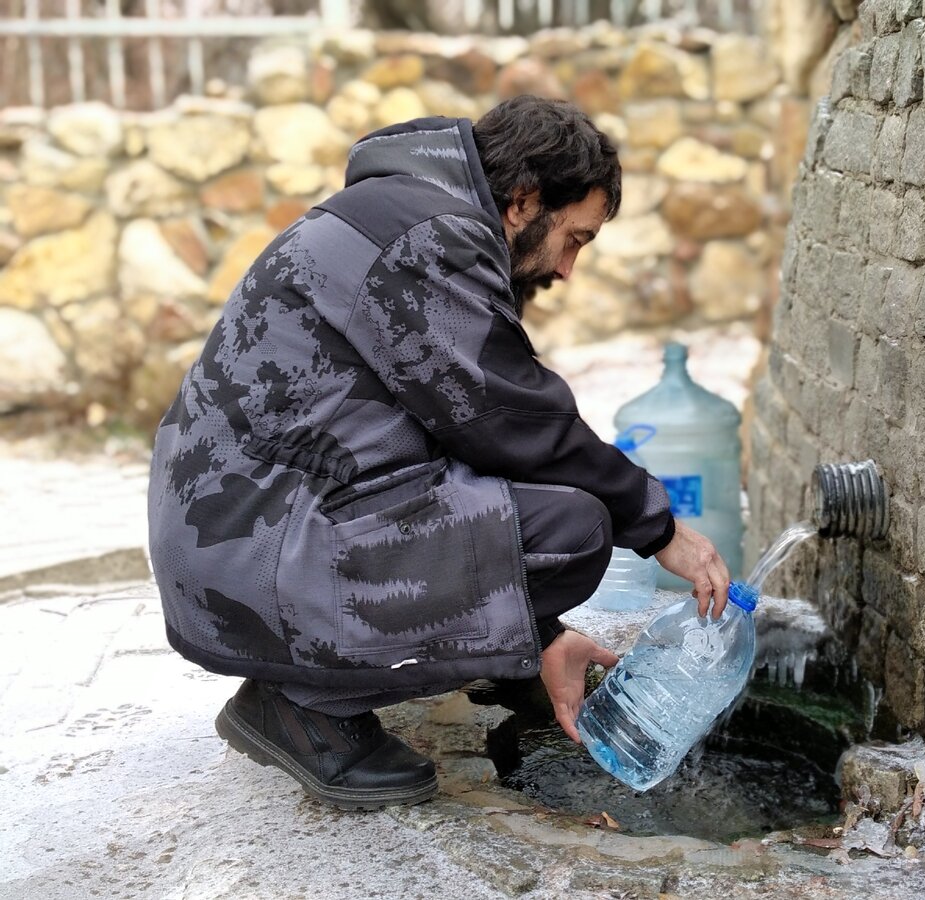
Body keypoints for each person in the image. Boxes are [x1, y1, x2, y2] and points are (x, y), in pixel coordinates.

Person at [147, 96, 730, 810]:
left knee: (538, 518)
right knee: (573, 535)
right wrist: (659, 526)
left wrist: (541, 635)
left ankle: (334, 673)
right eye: (574, 239)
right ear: (522, 201)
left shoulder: (416, 211)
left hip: (251, 531)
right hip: (253, 545)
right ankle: (301, 707)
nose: (570, 268)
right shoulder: (428, 236)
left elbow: (467, 434)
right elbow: (512, 420)